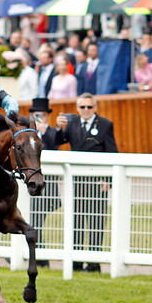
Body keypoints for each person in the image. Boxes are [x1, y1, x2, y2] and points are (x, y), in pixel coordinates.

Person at [55, 93, 118, 273]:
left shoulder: (105, 125)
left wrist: (108, 179)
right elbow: (58, 141)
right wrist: (58, 128)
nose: (86, 110)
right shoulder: (73, 123)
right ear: (77, 108)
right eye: (82, 107)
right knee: (76, 221)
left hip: (97, 183)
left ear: (95, 108)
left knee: (96, 222)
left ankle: (93, 263)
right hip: (77, 180)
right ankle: (75, 261)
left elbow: (112, 153)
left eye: (89, 107)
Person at [27, 97, 59, 267]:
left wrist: (44, 131)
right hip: (31, 184)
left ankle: (40, 255)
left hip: (47, 185)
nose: (40, 118)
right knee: (32, 220)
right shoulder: (26, 133)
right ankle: (39, 255)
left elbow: (55, 145)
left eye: (43, 115)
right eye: (36, 115)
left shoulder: (52, 132)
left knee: (37, 220)